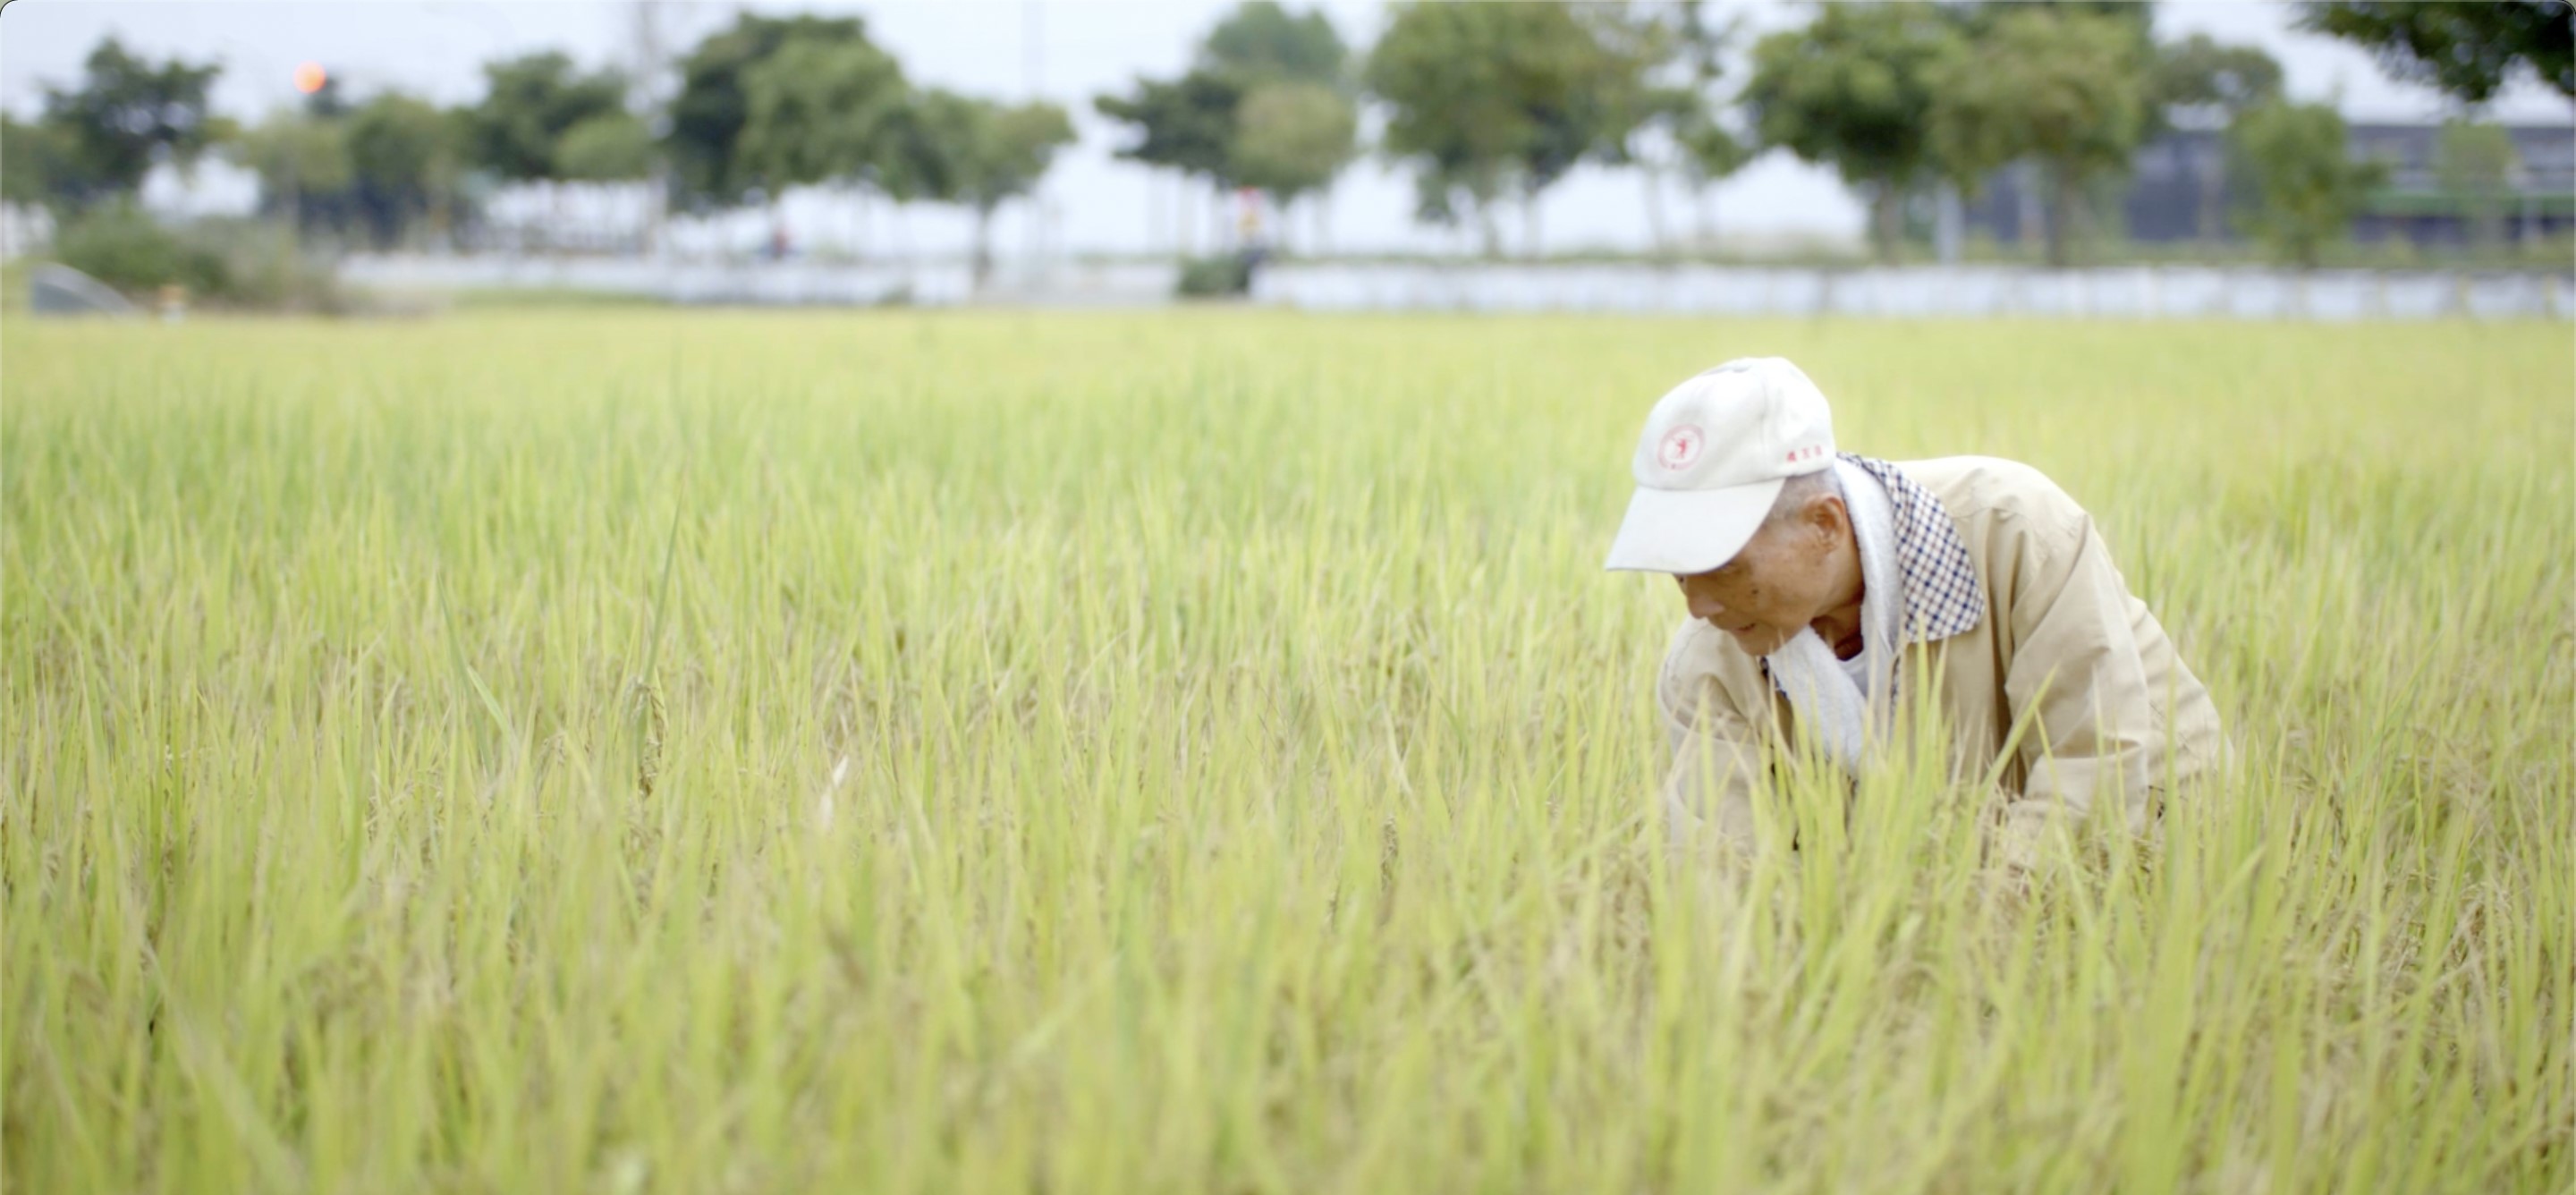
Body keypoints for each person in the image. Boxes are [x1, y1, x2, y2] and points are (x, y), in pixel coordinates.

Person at [1604, 357, 2223, 867]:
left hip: (2175, 846)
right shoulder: (1706, 661)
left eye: (1724, 567)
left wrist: (1972, 927)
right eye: (1678, 571)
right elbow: (1716, 861)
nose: (1699, 604)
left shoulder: (2016, 532)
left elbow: (2098, 769)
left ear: (1824, 523)